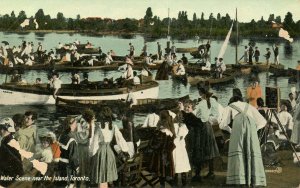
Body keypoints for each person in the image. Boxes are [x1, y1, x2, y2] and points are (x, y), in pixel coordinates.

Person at [219, 95, 267, 187]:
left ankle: (240, 179)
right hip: (251, 128)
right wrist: (253, 130)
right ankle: (254, 179)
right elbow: (263, 122)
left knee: (239, 152)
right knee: (251, 151)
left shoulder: (229, 106)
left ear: (231, 101)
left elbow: (222, 125)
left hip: (237, 128)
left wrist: (231, 130)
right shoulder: (249, 106)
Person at [89, 107, 129, 187]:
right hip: (109, 154)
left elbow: (94, 144)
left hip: (100, 154)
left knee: (101, 179)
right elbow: (120, 140)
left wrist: (91, 154)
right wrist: (125, 149)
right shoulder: (114, 126)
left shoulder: (99, 127)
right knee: (106, 179)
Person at [192, 81, 220, 180]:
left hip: (201, 127)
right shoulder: (212, 101)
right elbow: (216, 116)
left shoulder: (201, 102)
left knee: (199, 149)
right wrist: (209, 121)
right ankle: (210, 172)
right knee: (209, 149)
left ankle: (198, 173)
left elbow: (195, 115)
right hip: (207, 127)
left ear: (200, 91)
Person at [148, 110, 176, 187]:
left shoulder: (160, 131)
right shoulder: (171, 130)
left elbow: (156, 144)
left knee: (160, 171)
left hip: (160, 154)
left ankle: (162, 185)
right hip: (168, 155)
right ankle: (172, 184)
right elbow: (172, 143)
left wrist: (151, 146)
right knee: (167, 170)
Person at [0, 117, 24, 187]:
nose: (0, 130)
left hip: (11, 177)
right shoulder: (9, 140)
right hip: (13, 174)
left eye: (2, 128)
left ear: (7, 129)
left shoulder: (9, 143)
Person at [57, 116, 79, 188]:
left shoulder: (62, 135)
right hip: (68, 167)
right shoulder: (72, 139)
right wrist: (77, 167)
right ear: (70, 125)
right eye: (75, 123)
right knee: (69, 185)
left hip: (60, 164)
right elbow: (73, 157)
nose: (76, 125)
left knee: (62, 184)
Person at [172, 111, 191, 187]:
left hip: (175, 148)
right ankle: (184, 185)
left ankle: (175, 184)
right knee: (183, 166)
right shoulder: (183, 126)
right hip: (182, 149)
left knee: (176, 167)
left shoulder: (172, 126)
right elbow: (183, 135)